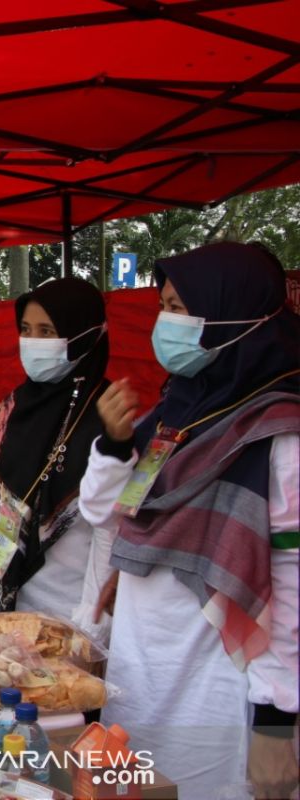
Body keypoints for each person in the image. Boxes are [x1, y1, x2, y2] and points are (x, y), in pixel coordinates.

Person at [77, 242, 298, 800]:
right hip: (143, 675)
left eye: (181, 308)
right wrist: (114, 443)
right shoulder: (178, 410)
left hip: (218, 689)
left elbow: (292, 586)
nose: (165, 322)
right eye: (165, 306)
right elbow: (104, 513)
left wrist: (277, 720)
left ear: (234, 316)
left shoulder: (281, 434)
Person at [0, 277, 112, 635]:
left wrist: (92, 629)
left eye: (47, 331)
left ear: (84, 336)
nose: (33, 342)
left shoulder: (106, 416)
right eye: (26, 329)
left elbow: (108, 534)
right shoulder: (12, 407)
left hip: (60, 613)